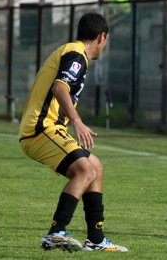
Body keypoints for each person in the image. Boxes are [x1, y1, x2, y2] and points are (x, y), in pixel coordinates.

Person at [18, 13, 128, 252]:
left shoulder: (73, 51)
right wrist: (77, 121)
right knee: (85, 169)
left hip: (48, 127)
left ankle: (95, 240)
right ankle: (56, 232)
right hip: (40, 128)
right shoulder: (77, 54)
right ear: (102, 37)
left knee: (95, 167)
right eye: (106, 40)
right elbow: (60, 87)